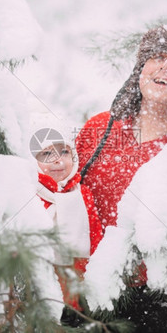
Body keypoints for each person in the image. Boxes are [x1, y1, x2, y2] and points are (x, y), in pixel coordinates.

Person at [75, 24, 167, 333]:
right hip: (87, 280)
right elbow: (70, 194)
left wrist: (128, 266)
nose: (166, 67)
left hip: (163, 292)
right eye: (158, 57)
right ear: (141, 69)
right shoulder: (99, 129)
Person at [30, 123, 103, 314]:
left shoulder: (82, 193)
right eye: (46, 154)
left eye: (64, 152)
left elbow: (95, 236)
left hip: (79, 289)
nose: (57, 161)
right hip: (44, 295)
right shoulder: (31, 196)